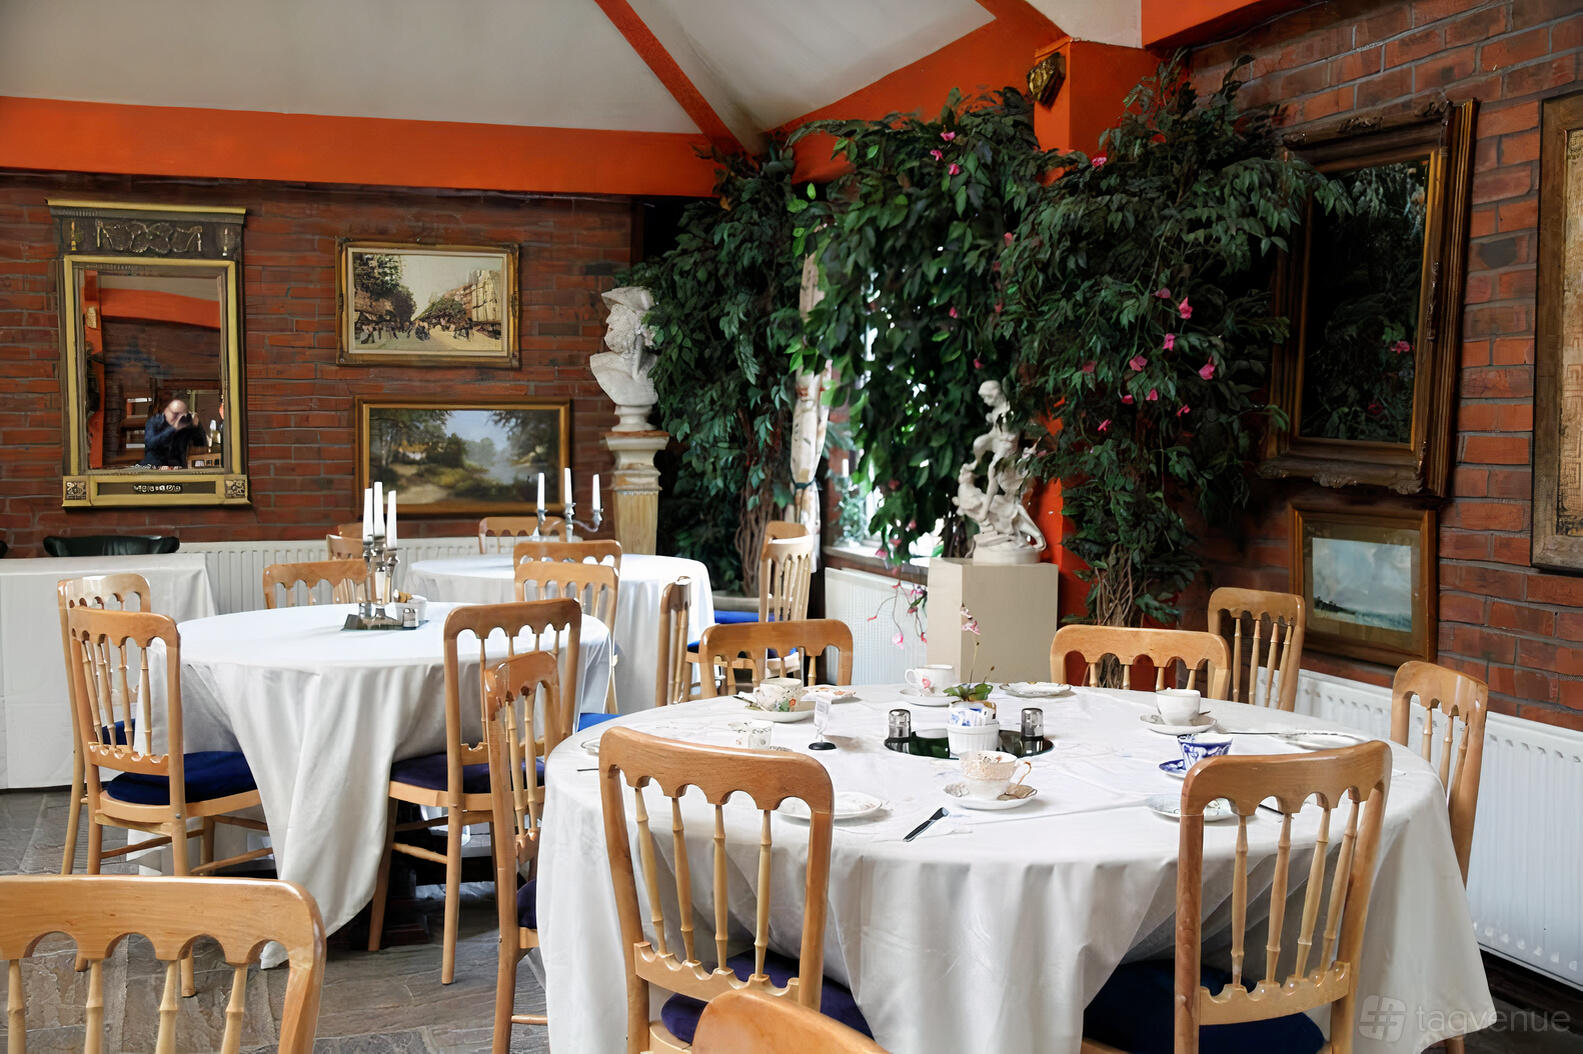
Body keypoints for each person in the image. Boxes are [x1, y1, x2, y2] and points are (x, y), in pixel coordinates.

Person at [139, 398, 207, 469]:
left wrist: (197, 426)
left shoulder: (184, 425)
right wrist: (173, 428)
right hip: (155, 467)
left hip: (178, 468)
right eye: (176, 414)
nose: (179, 417)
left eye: (182, 413)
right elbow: (151, 444)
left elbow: (201, 444)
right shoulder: (154, 422)